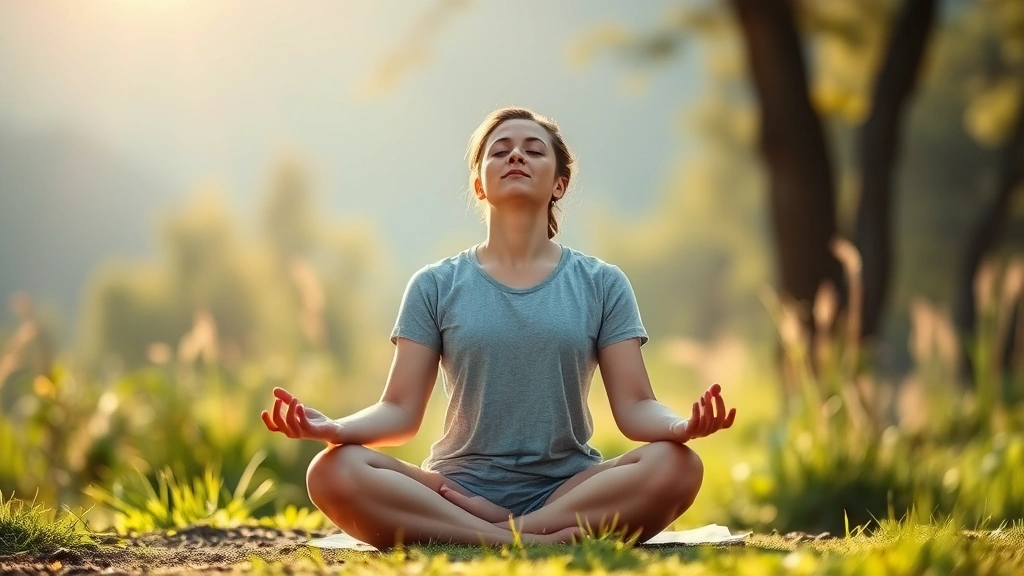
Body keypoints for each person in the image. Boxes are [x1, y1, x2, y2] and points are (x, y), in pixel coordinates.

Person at [261, 107, 737, 549]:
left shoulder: (602, 283)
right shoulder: (435, 284)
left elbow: (635, 407)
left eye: (534, 150)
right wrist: (334, 427)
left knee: (677, 465)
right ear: (479, 184)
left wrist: (680, 426)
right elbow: (399, 410)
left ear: (559, 184)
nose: (515, 154)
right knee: (330, 471)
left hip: (569, 488)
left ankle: (497, 532)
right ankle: (528, 542)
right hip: (453, 487)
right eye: (499, 149)